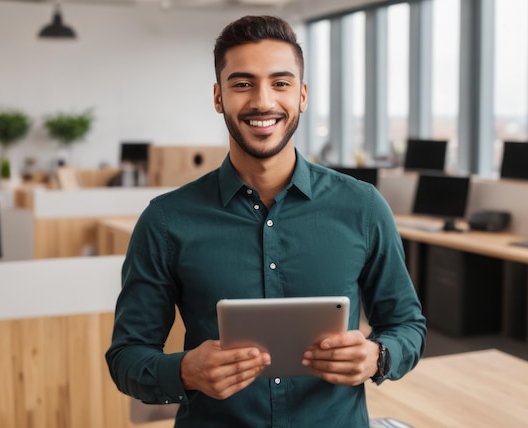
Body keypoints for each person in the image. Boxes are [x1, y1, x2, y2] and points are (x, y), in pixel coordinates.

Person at [106, 15, 426, 427]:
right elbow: (126, 356)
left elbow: (407, 325)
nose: (262, 101)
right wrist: (185, 370)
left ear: (302, 95)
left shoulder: (362, 207)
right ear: (219, 97)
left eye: (280, 83)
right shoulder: (166, 221)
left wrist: (378, 357)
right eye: (242, 84)